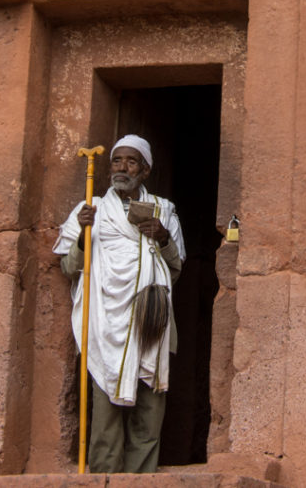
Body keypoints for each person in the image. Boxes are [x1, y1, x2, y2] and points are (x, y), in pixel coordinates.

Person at [54, 134, 185, 473]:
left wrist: (163, 237)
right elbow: (70, 268)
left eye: (131, 161)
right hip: (104, 325)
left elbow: (176, 269)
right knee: (105, 418)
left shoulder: (164, 210)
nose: (122, 167)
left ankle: (141, 479)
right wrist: (84, 233)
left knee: (149, 416)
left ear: (145, 169)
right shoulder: (91, 209)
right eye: (117, 160)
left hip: (151, 320)